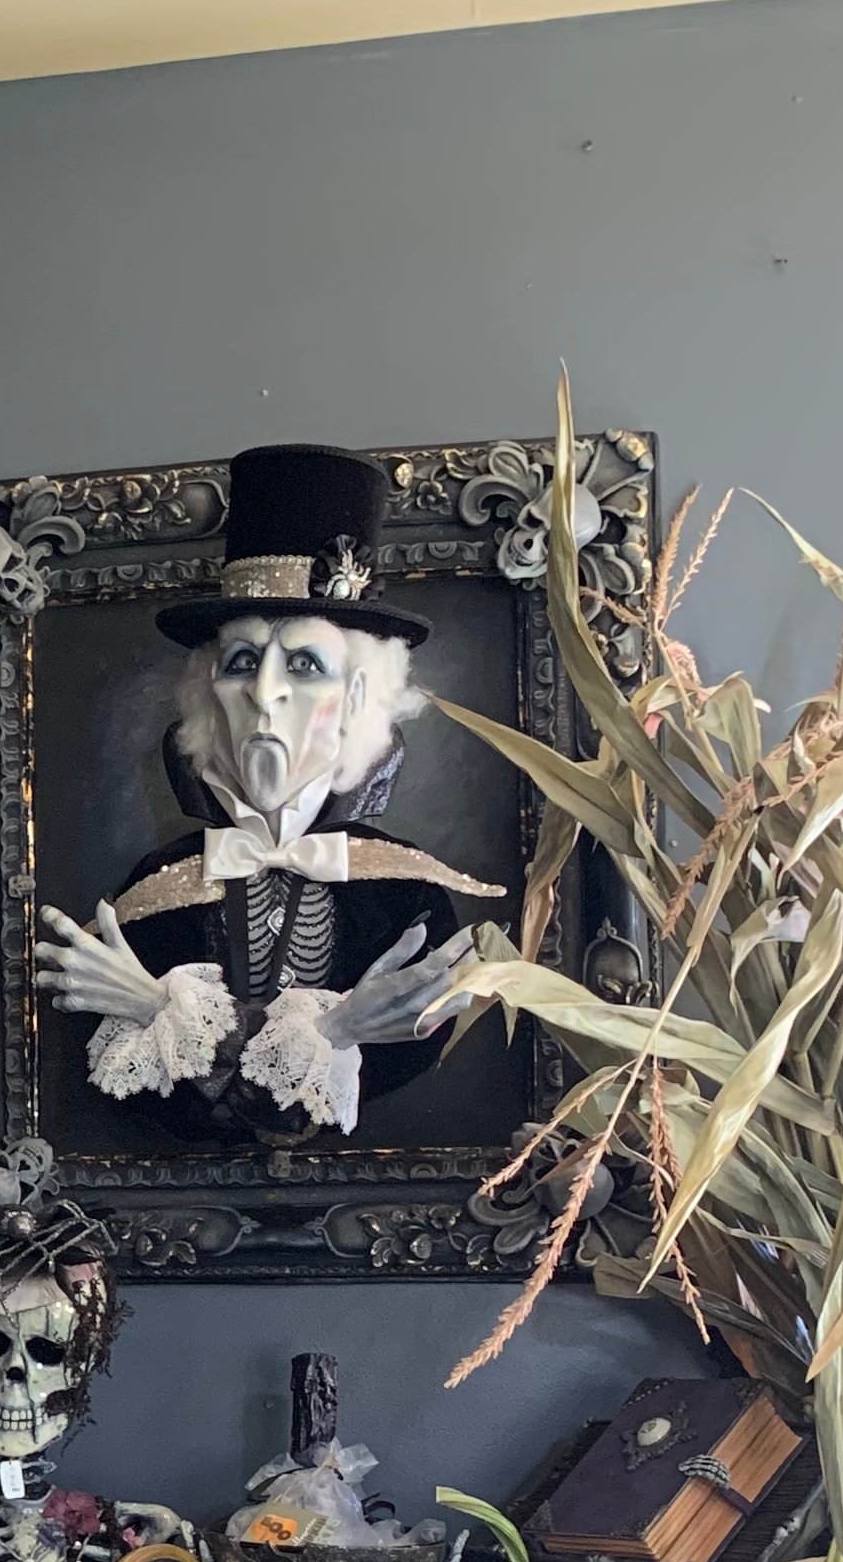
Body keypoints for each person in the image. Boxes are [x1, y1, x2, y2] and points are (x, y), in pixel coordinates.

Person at [36, 441, 497, 1139]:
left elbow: (411, 1053)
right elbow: (150, 1088)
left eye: (305, 663)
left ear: (357, 697)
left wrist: (169, 1009)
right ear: (206, 695)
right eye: (242, 661)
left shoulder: (407, 899)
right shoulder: (152, 892)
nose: (264, 692)